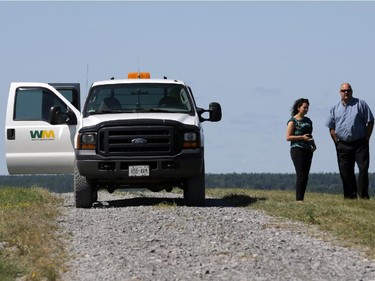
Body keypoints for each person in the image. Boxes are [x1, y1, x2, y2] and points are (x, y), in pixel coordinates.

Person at [326, 82, 374, 199]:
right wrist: (336, 141)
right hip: (343, 144)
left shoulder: (360, 104)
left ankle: (363, 196)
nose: (346, 92)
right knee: (346, 171)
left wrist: (367, 138)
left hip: (360, 143)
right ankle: (350, 196)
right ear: (340, 92)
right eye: (343, 91)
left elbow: (370, 121)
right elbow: (331, 126)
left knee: (363, 169)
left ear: (352, 91)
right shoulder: (335, 107)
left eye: (348, 90)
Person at [286, 98, 317, 202]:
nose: (306, 109)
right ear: (299, 108)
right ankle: (298, 199)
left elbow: (309, 134)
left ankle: (301, 198)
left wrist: (313, 144)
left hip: (307, 149)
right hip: (297, 149)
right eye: (304, 107)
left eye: (307, 107)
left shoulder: (308, 121)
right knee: (301, 174)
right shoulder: (293, 121)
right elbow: (288, 137)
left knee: (306, 175)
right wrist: (301, 137)